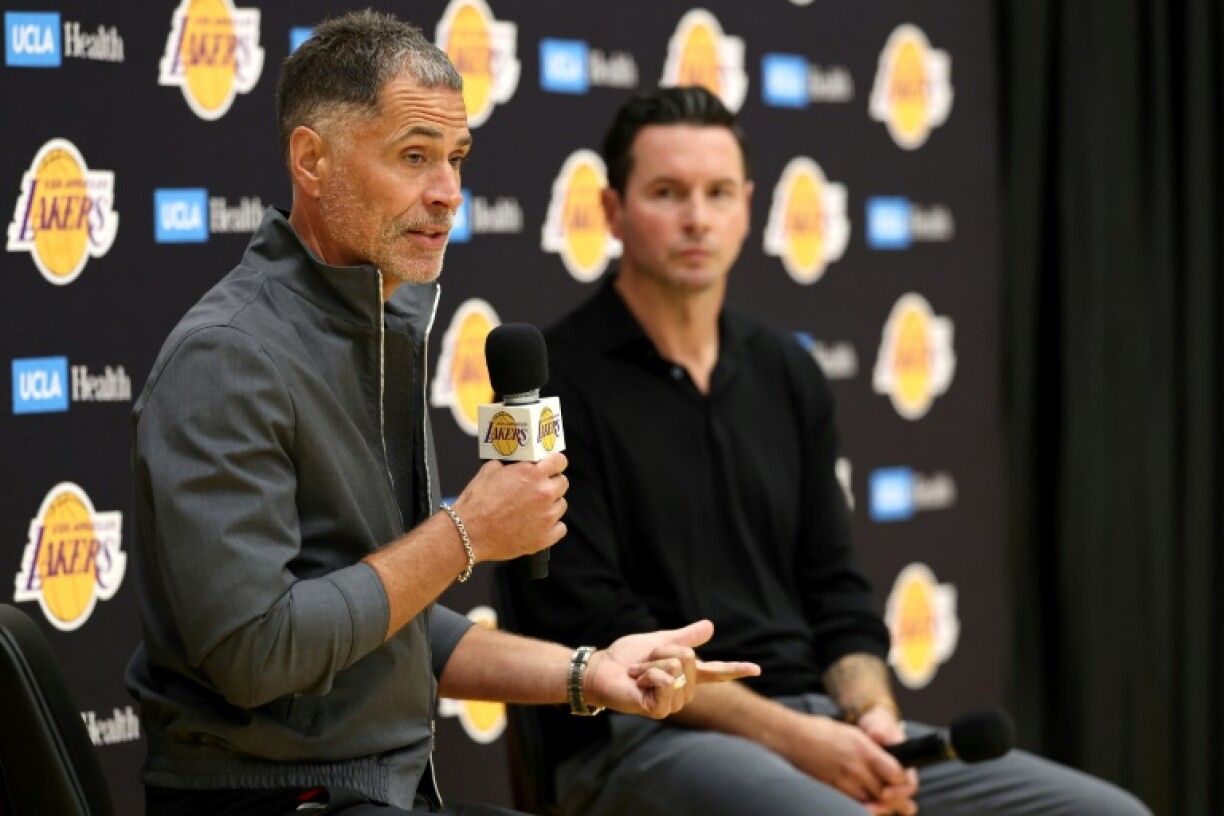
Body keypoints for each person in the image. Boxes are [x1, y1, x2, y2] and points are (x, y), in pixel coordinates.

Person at [124, 15, 758, 816]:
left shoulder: (381, 325)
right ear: (311, 160)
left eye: (456, 160)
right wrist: (466, 533)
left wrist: (586, 672)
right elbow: (256, 652)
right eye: (414, 157)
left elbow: (386, 624)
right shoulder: (228, 358)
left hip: (386, 794)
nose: (448, 193)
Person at [500, 86, 1153, 816]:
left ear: (748, 206)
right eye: (666, 192)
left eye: (718, 193)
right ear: (613, 210)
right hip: (639, 736)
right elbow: (594, 626)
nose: (696, 217)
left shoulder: (787, 369)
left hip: (817, 719)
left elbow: (837, 589)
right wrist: (800, 742)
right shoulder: (554, 382)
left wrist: (870, 712)